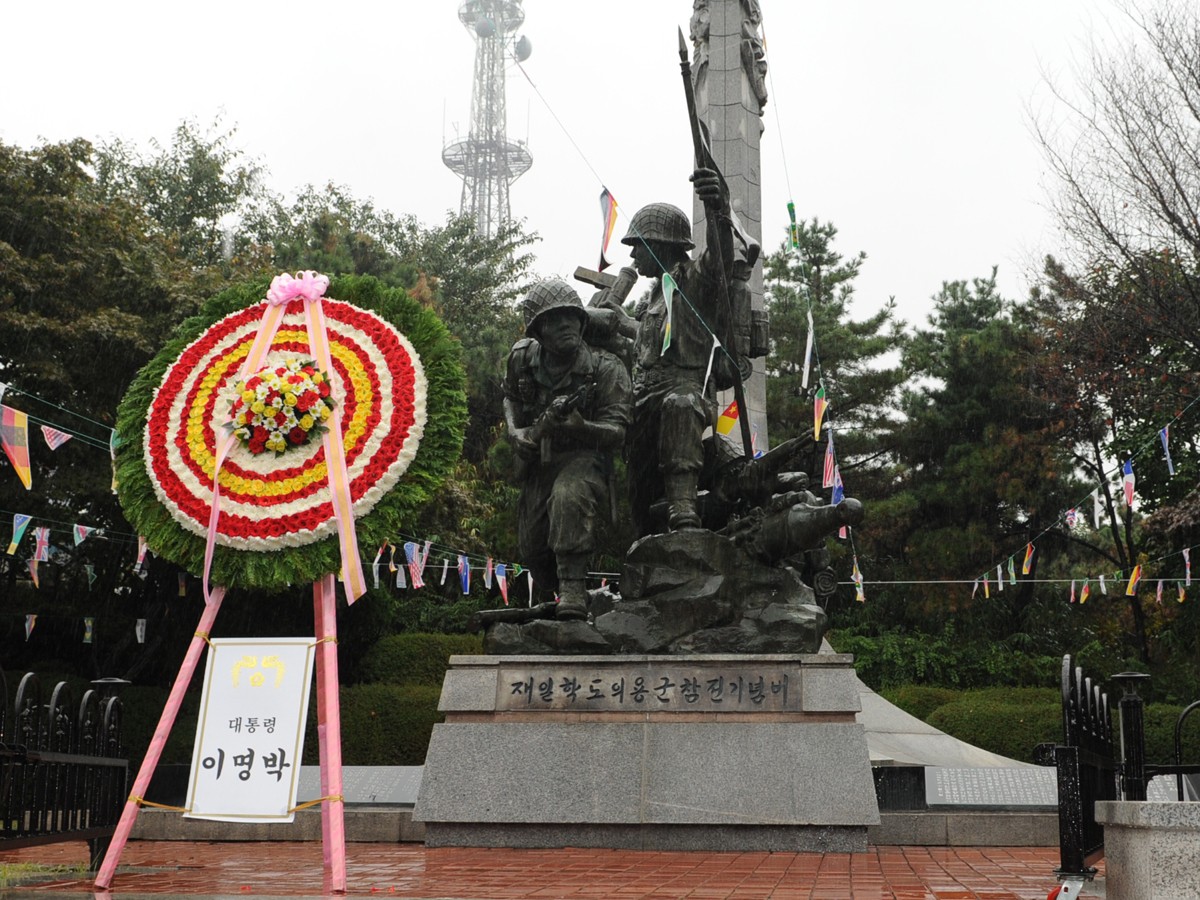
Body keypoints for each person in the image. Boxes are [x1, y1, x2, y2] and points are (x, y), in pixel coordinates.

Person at [624, 168, 747, 536]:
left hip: (685, 390)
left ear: (661, 245)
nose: (632, 253)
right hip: (643, 403)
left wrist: (718, 211)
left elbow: (720, 259)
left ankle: (683, 506)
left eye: (639, 243)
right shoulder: (653, 297)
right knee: (639, 500)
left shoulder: (693, 281)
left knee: (680, 404)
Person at [503, 280, 631, 620]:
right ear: (538, 330)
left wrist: (582, 427)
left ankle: (574, 591)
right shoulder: (521, 358)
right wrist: (515, 432)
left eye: (572, 318)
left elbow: (618, 431)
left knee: (568, 495)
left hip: (585, 457)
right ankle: (563, 593)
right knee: (532, 550)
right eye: (556, 320)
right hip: (539, 457)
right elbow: (511, 398)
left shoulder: (606, 368)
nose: (567, 325)